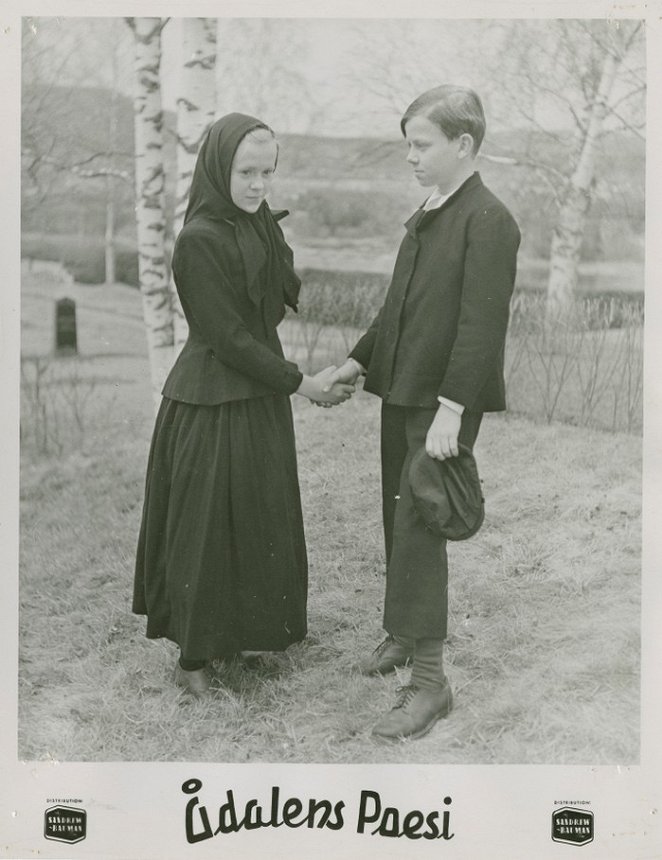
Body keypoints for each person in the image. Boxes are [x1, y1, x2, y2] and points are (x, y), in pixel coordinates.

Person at [133, 113, 354, 696]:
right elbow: (228, 339)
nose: (258, 185)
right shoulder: (197, 241)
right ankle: (193, 661)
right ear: (217, 168)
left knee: (259, 515)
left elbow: (266, 316)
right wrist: (303, 382)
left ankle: (249, 636)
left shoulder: (259, 226)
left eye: (268, 172)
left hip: (257, 397)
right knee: (208, 527)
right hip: (211, 402)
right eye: (246, 172)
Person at [326, 85, 521, 740]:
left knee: (420, 526)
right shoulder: (431, 209)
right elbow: (398, 307)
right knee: (396, 512)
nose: (409, 156)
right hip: (403, 389)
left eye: (421, 144)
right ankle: (403, 635)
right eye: (407, 143)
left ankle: (430, 684)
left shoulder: (488, 220)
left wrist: (452, 409)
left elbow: (479, 327)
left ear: (461, 145)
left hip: (442, 402)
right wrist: (357, 361)